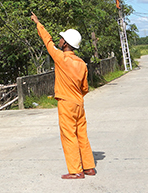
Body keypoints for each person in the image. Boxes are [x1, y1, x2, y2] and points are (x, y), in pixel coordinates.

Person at [30, 12, 95, 179]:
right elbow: (85, 88)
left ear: (65, 43)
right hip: (79, 103)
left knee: (69, 136)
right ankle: (89, 167)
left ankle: (76, 171)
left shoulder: (60, 58)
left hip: (66, 104)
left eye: (62, 39)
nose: (59, 40)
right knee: (82, 134)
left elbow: (47, 41)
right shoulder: (82, 64)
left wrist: (38, 23)